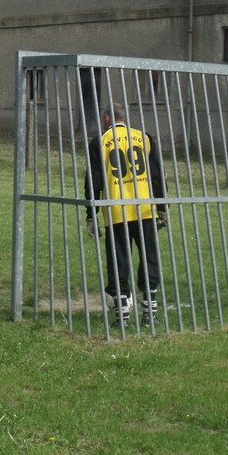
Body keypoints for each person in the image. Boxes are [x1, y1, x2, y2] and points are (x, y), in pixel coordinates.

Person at [85, 103, 167, 328]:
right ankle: (150, 314)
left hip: (117, 210)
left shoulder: (99, 142)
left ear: (108, 118)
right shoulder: (144, 137)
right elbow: (158, 175)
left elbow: (94, 180)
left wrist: (91, 215)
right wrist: (161, 209)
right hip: (145, 209)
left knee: (118, 261)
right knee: (149, 258)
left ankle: (122, 316)